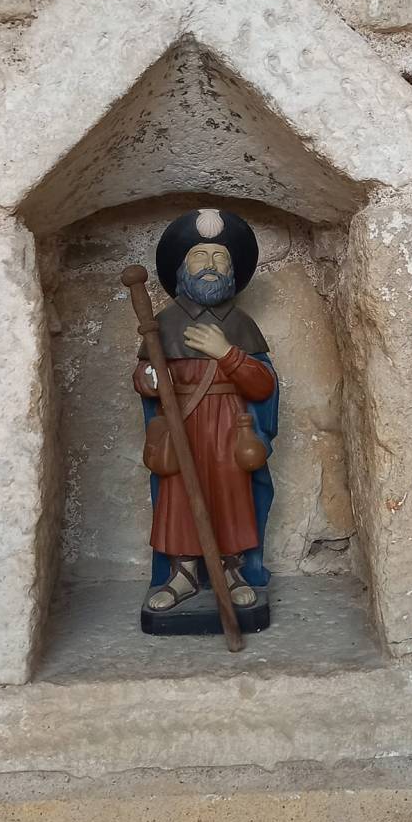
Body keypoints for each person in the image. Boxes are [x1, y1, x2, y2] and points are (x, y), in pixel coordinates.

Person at [133, 208, 279, 612]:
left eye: (220, 258)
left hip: (230, 429)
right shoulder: (161, 323)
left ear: (232, 271)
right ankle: (182, 575)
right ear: (182, 268)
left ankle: (232, 572)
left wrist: (227, 353)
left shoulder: (242, 325)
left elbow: (263, 384)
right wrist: (151, 377)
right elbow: (144, 379)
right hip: (184, 426)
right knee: (179, 498)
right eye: (200, 257)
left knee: (231, 497)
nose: (210, 267)